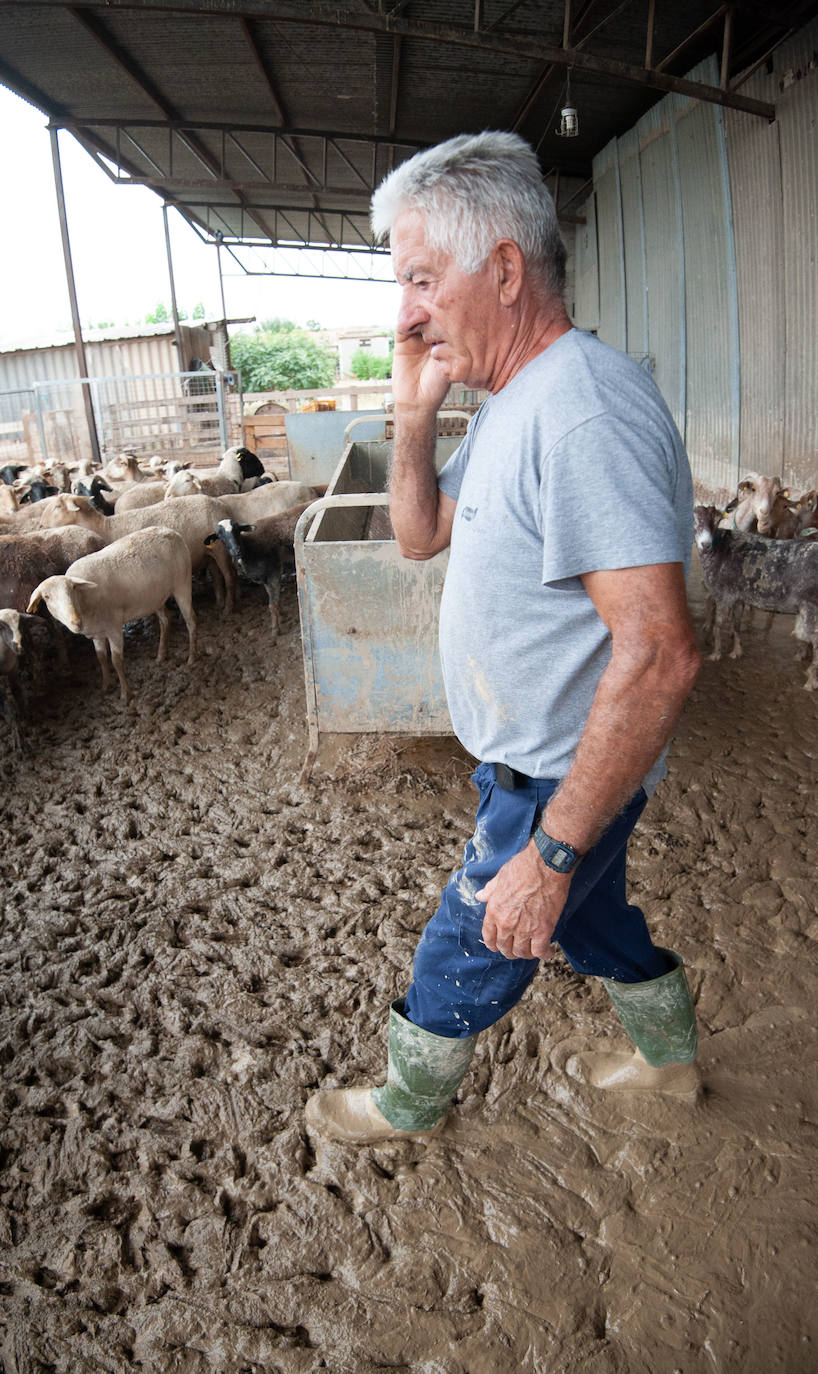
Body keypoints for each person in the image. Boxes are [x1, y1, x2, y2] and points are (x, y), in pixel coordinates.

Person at [304, 131, 702, 1146]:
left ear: (506, 269)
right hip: (535, 764)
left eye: (421, 278)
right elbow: (415, 535)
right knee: (598, 923)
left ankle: (405, 1102)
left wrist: (551, 850)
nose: (405, 310)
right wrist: (410, 412)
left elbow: (658, 653)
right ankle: (670, 1062)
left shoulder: (580, 413)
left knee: (474, 934)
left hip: (551, 780)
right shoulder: (512, 402)